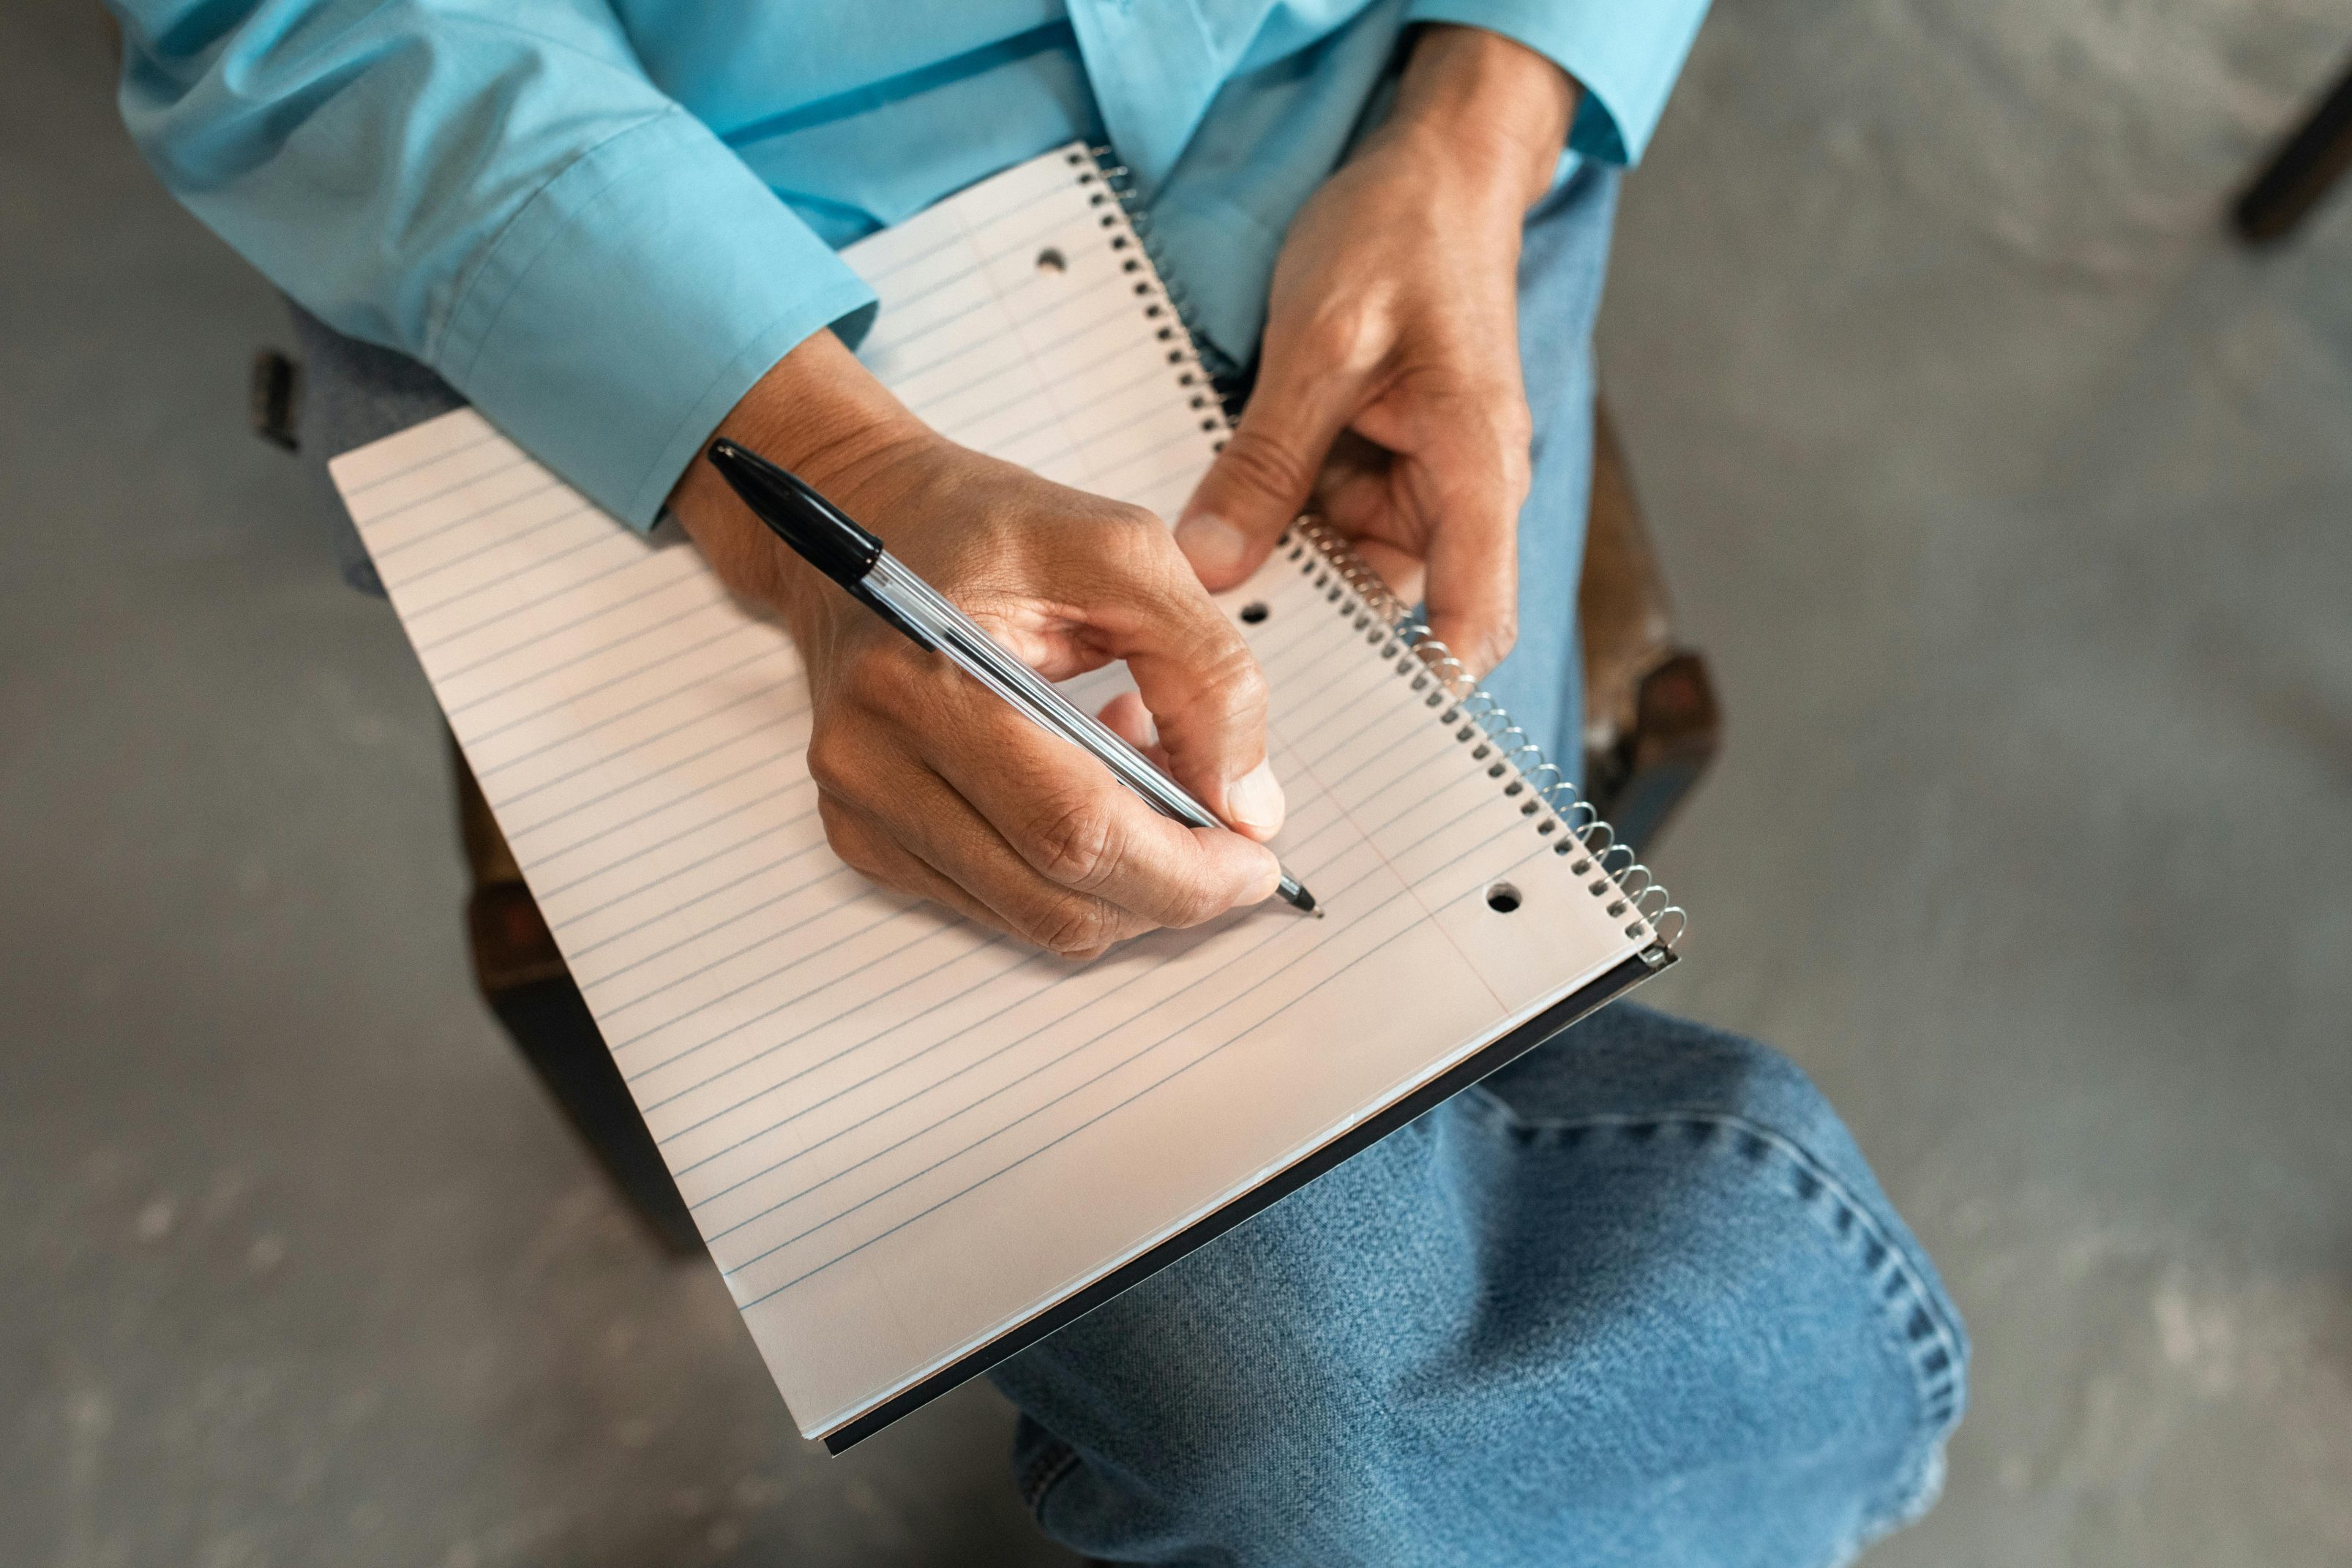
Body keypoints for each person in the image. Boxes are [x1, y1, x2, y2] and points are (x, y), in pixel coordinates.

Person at [113, 4, 1967, 1561]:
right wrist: (813, 468)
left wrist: (1484, 113)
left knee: (1317, 1433)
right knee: (1299, 1434)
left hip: (1357, 141)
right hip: (676, 276)